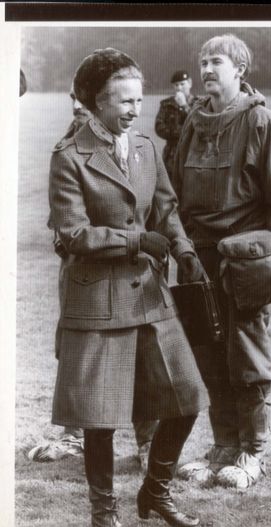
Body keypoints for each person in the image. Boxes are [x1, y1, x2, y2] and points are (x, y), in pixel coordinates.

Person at [48, 48, 209, 527]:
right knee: (99, 417)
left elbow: (165, 209)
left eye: (139, 100)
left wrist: (183, 250)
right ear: (95, 102)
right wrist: (136, 239)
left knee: (188, 398)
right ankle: (104, 515)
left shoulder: (144, 145)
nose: (135, 110)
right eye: (124, 101)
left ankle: (155, 493)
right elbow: (72, 234)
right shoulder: (68, 157)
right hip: (95, 300)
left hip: (148, 297)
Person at [173, 34, 271, 490]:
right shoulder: (192, 121)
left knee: (245, 356)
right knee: (209, 355)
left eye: (217, 62)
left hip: (246, 262)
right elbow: (173, 193)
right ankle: (224, 447)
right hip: (199, 261)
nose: (207, 69)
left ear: (240, 70)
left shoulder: (262, 122)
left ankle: (254, 453)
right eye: (203, 62)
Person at [29, 85, 158, 471]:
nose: (74, 106)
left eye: (80, 99)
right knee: (81, 359)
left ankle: (147, 442)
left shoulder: (133, 144)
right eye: (71, 99)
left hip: (129, 272)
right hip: (85, 272)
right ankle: (77, 436)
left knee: (141, 359)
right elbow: (67, 226)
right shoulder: (70, 147)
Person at [155, 70, 197, 181]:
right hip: (171, 155)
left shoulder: (199, 103)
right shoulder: (166, 104)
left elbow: (199, 125)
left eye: (182, 84)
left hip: (193, 153)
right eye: (176, 85)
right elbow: (159, 127)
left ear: (190, 83)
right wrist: (182, 132)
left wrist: (184, 106)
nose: (179, 88)